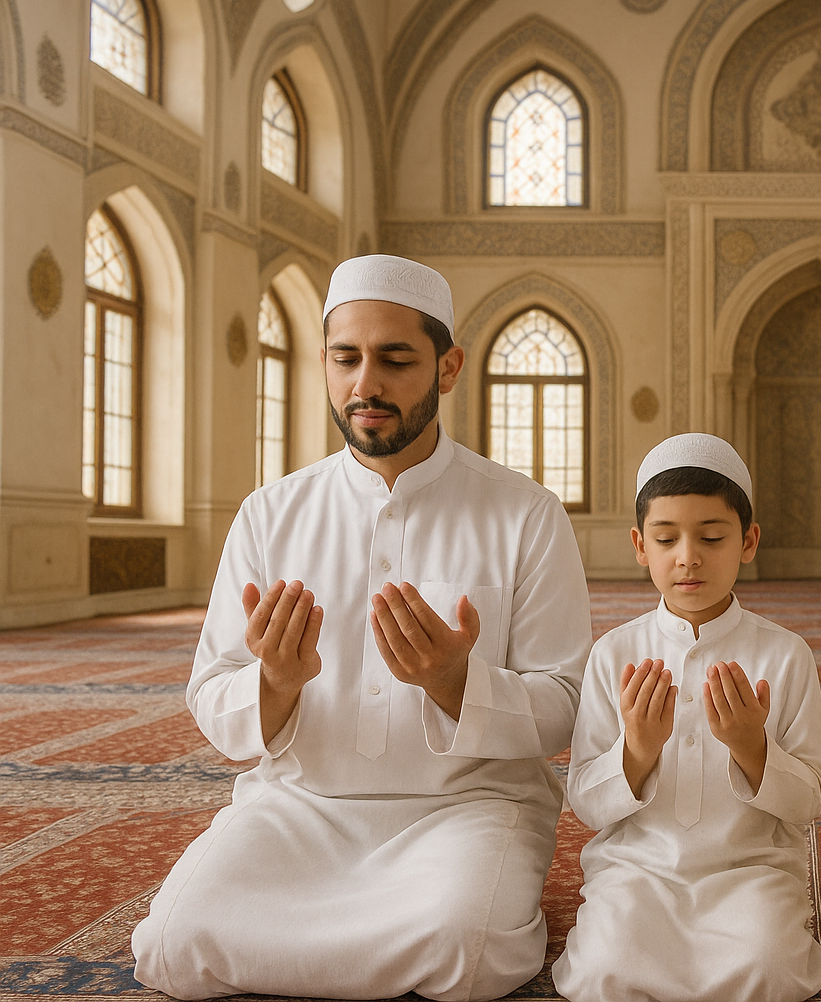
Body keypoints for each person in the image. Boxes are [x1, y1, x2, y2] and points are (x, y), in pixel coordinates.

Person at [131, 255, 592, 1001]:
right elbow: (213, 694)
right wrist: (274, 682)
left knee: (466, 956)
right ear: (323, 363)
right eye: (345, 359)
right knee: (174, 946)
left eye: (394, 360)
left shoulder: (524, 515)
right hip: (299, 807)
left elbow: (565, 701)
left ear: (447, 368)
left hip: (467, 810)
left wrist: (454, 682)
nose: (364, 385)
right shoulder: (269, 515)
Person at [551, 433, 821, 1002]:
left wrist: (751, 748)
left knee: (768, 968)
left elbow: (812, 801)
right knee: (606, 969)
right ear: (639, 545)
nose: (688, 557)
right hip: (638, 873)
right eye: (666, 538)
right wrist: (637, 752)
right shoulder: (613, 654)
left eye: (711, 537)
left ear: (748, 541)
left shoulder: (785, 654)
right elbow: (584, 802)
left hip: (750, 873)